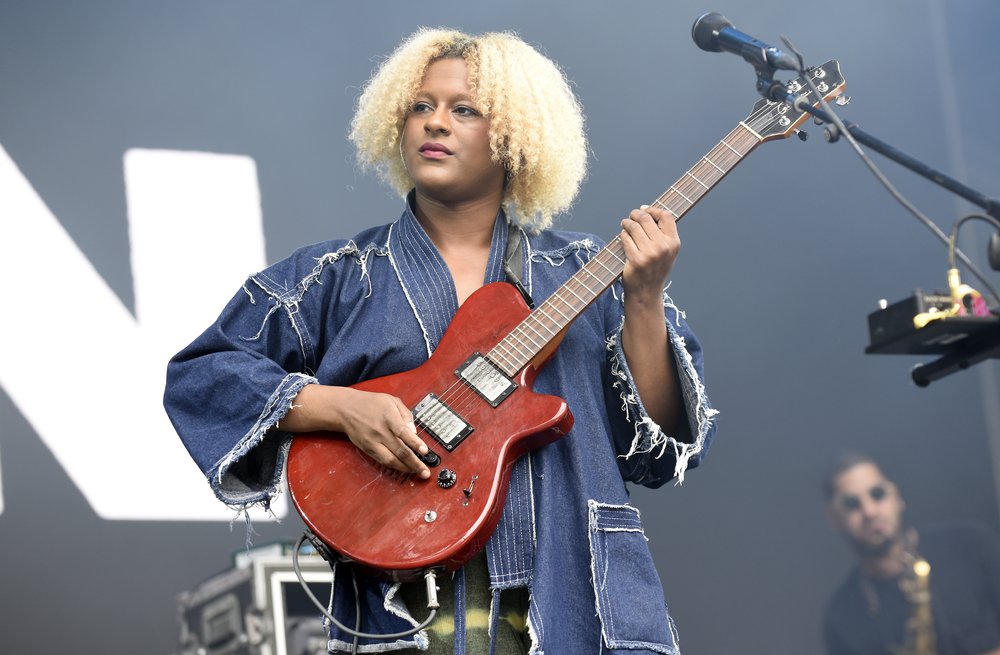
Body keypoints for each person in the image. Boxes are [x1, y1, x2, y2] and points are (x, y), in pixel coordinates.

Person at [164, 28, 717, 654]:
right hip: (399, 616)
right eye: (420, 106)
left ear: (514, 136)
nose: (436, 123)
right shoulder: (340, 275)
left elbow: (663, 449)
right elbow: (203, 373)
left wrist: (643, 299)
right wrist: (341, 408)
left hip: (579, 611)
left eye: (465, 110)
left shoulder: (591, 275)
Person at [822, 452, 1000, 655]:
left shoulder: (971, 544)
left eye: (877, 493)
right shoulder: (840, 618)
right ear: (833, 518)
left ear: (897, 497)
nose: (869, 511)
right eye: (851, 504)